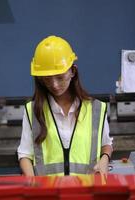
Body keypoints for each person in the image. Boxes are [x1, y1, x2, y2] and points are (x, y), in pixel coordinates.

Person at [17, 35, 113, 176]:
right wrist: (33, 185)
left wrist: (105, 159)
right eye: (47, 79)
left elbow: (106, 144)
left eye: (60, 77)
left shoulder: (96, 109)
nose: (54, 85)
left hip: (86, 191)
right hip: (48, 193)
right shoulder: (33, 110)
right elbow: (25, 154)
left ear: (72, 71)